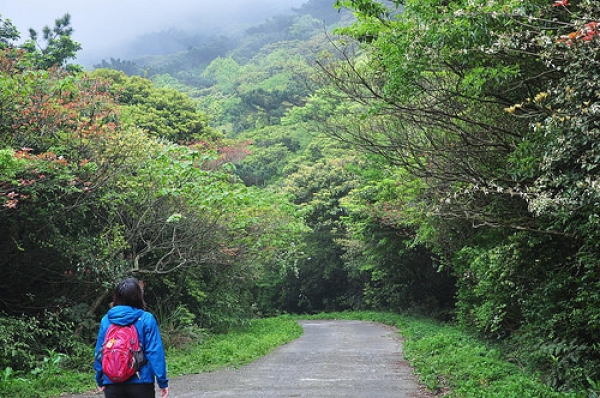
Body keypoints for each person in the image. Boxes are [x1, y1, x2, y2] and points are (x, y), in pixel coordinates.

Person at [94, 278, 169, 398]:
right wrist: (162, 381)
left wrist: (100, 378)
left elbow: (100, 352)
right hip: (141, 381)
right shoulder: (146, 318)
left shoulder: (106, 320)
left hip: (112, 382)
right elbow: (155, 352)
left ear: (116, 296)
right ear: (138, 296)